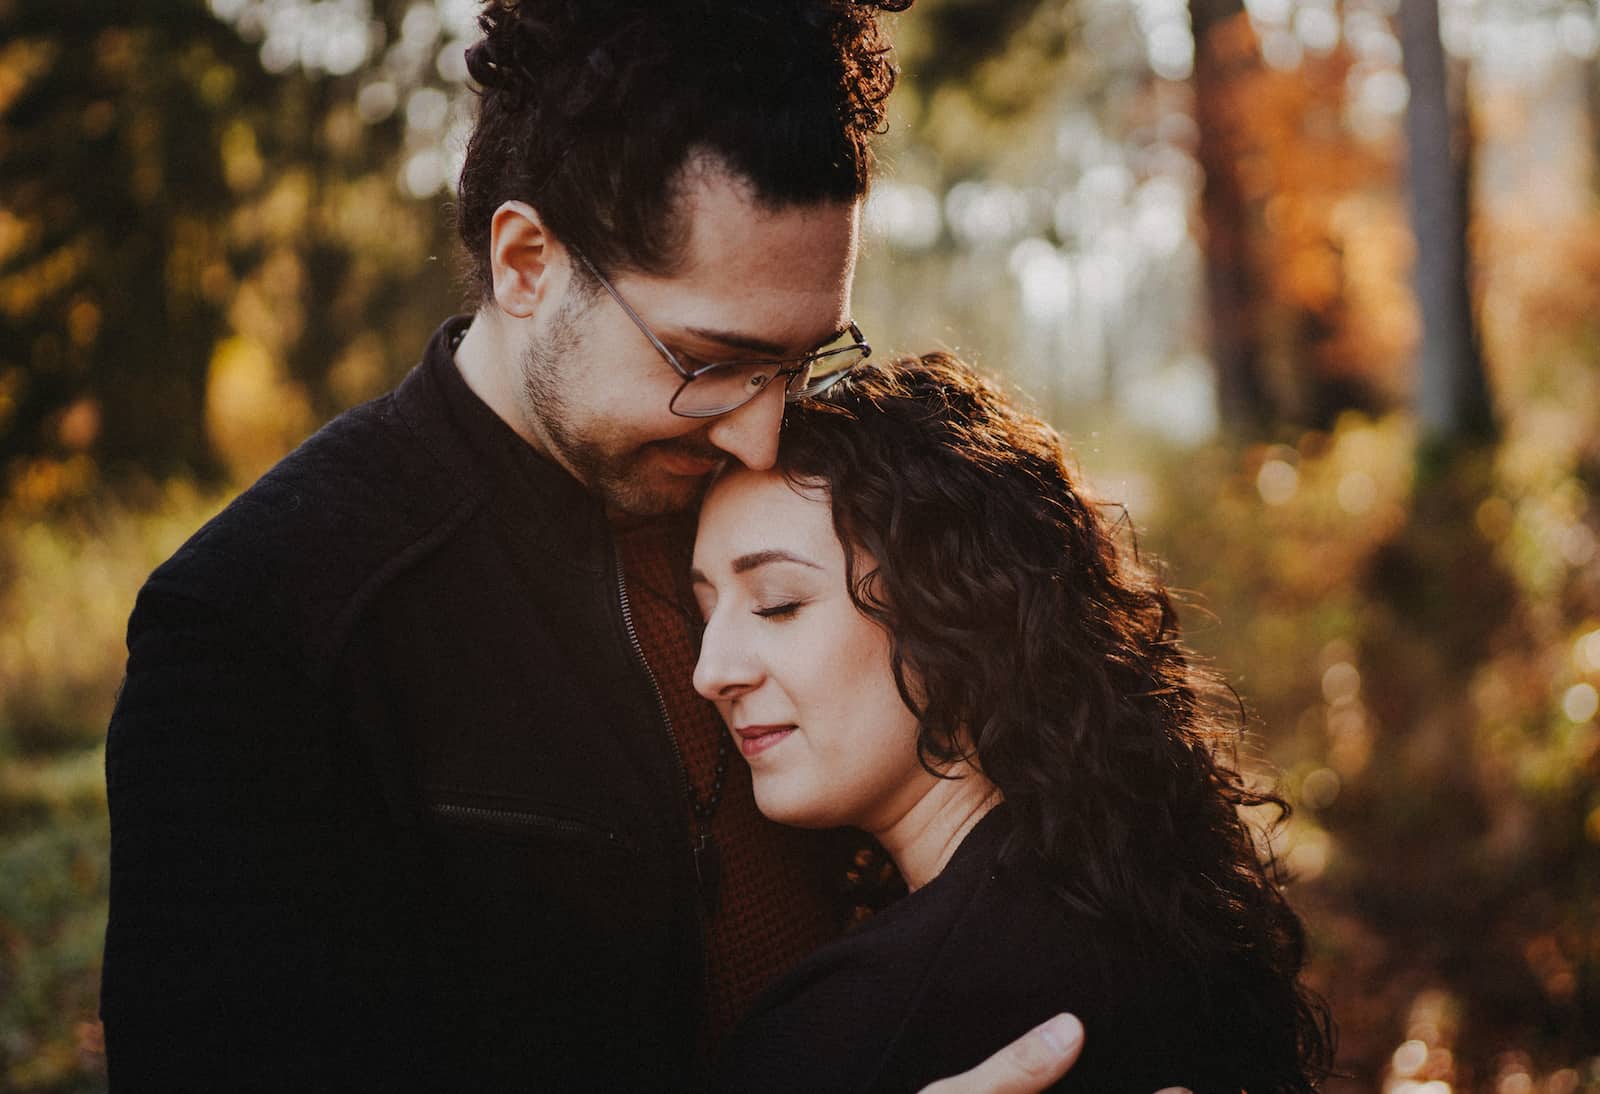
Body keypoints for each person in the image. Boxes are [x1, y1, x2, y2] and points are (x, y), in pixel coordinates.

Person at [98, 3, 1102, 1092]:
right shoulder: (265, 623)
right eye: (713, 358)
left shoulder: (799, 508)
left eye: (802, 361)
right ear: (527, 261)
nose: (761, 429)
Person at [690, 352, 1336, 1092]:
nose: (713, 673)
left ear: (955, 616)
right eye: (705, 616)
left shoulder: (864, 1025)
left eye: (777, 603)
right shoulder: (1146, 896)